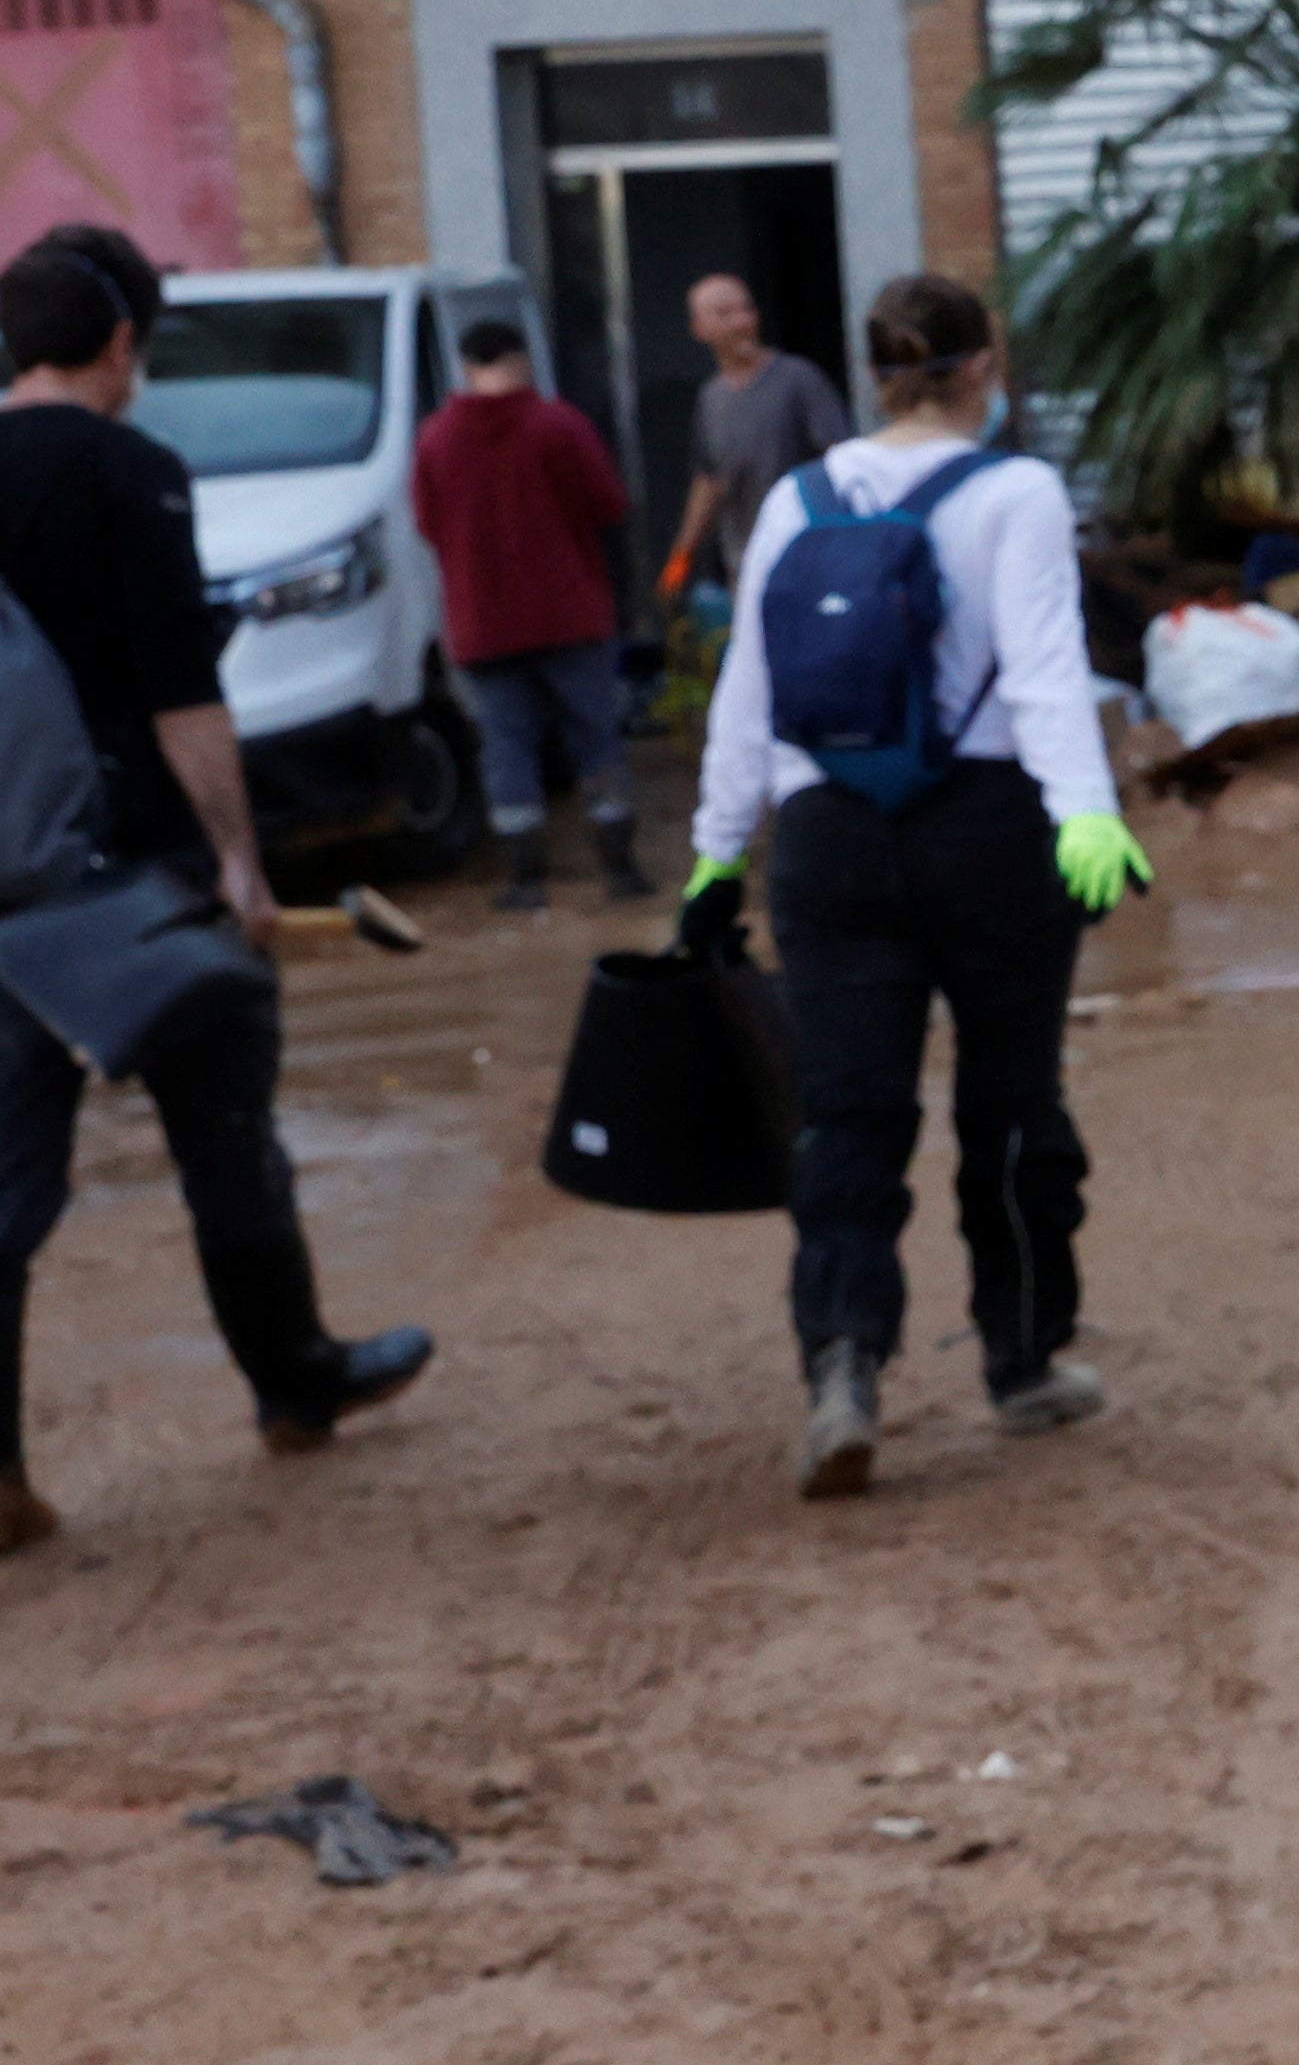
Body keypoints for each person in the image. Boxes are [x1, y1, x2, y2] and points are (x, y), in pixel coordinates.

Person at [685, 273, 1156, 1502]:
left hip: (829, 835)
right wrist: (1088, 819)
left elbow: (750, 690)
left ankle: (843, 1368)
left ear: (875, 372)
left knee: (847, 1115)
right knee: (1009, 1108)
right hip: (992, 835)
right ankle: (1020, 1364)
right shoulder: (1018, 492)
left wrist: (714, 850)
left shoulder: (797, 499)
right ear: (982, 367)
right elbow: (1049, 670)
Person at [0, 226, 433, 1556]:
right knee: (226, 1136)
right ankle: (296, 1381)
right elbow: (184, 694)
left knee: (5, 1178)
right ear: (121, 345)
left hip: (5, 884)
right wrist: (241, 862)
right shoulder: (130, 473)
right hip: (136, 869)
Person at [412, 318, 648, 912]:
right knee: (595, 738)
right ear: (521, 359)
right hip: (569, 614)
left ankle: (526, 880)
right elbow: (608, 502)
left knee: (506, 747)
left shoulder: (436, 439)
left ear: (465, 365)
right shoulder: (558, 426)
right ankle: (619, 870)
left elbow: (427, 524)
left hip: (484, 624)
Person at [666, 270, 850, 601]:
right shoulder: (712, 398)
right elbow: (709, 481)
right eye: (724, 314)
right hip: (745, 569)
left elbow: (843, 461)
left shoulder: (798, 380)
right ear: (699, 329)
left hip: (806, 562)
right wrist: (680, 559)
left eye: (746, 309)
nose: (741, 322)